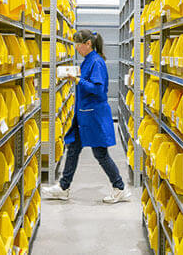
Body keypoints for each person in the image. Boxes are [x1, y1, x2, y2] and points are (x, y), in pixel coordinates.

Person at [41, 29, 131, 204]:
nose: (75, 47)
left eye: (77, 44)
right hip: (84, 114)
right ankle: (63, 188)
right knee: (73, 148)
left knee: (100, 154)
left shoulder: (96, 62)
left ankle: (120, 188)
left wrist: (77, 80)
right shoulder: (88, 61)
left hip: (93, 115)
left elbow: (98, 89)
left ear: (88, 44)